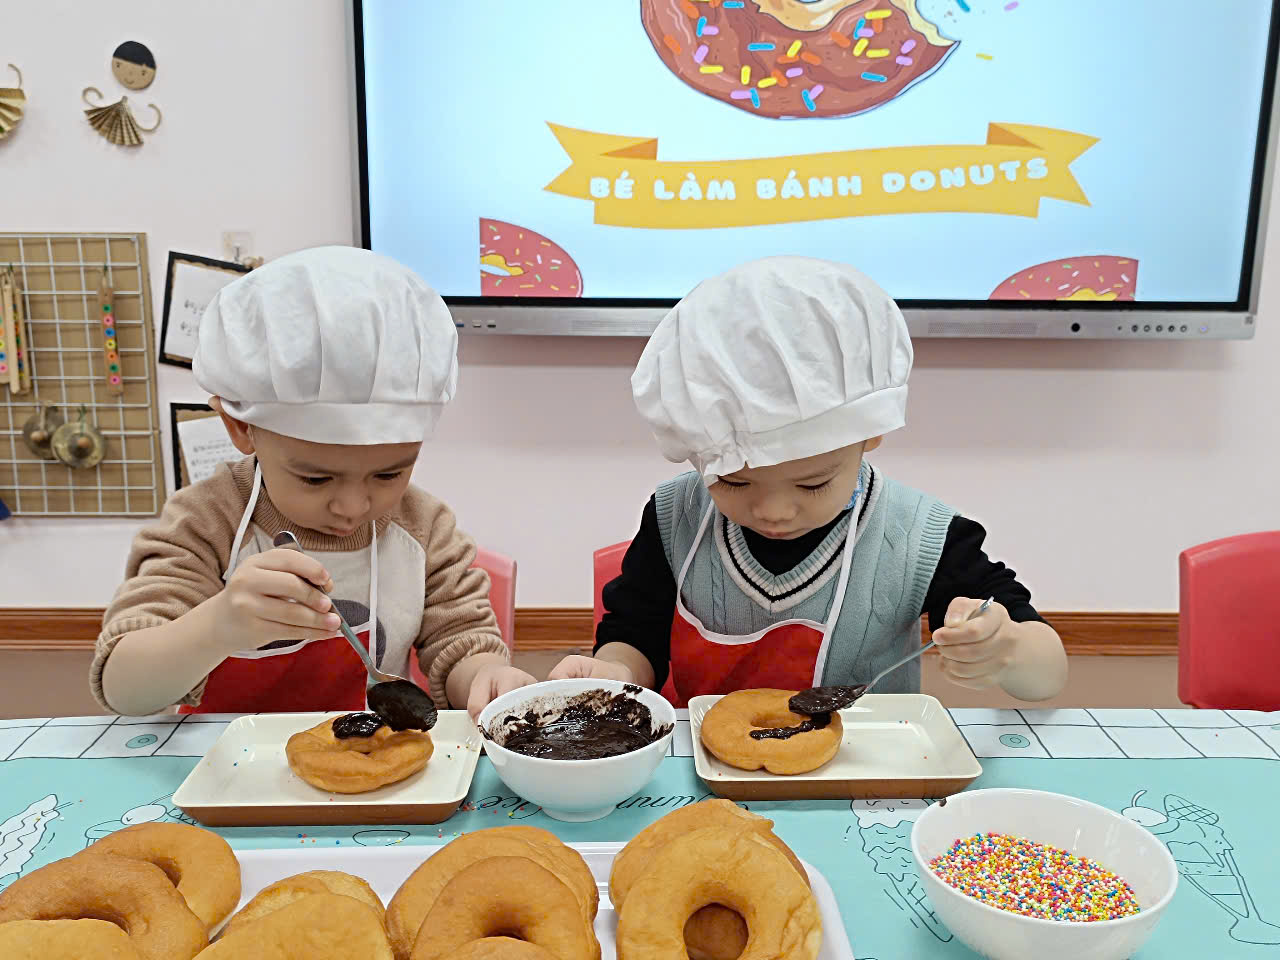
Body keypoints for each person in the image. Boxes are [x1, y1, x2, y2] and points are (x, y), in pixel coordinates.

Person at [549, 256, 1067, 706]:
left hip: (860, 778)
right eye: (734, 483)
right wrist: (616, 672)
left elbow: (1048, 675)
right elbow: (634, 635)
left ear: (870, 436)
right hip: (705, 770)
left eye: (813, 484)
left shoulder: (919, 536)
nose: (774, 511)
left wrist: (1008, 651)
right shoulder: (675, 516)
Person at [92, 247, 535, 717]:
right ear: (242, 429)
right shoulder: (206, 522)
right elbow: (125, 690)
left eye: (389, 473)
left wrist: (486, 674)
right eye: (316, 478)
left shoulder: (424, 528)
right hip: (222, 775)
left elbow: (462, 642)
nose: (352, 505)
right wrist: (216, 627)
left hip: (368, 766)